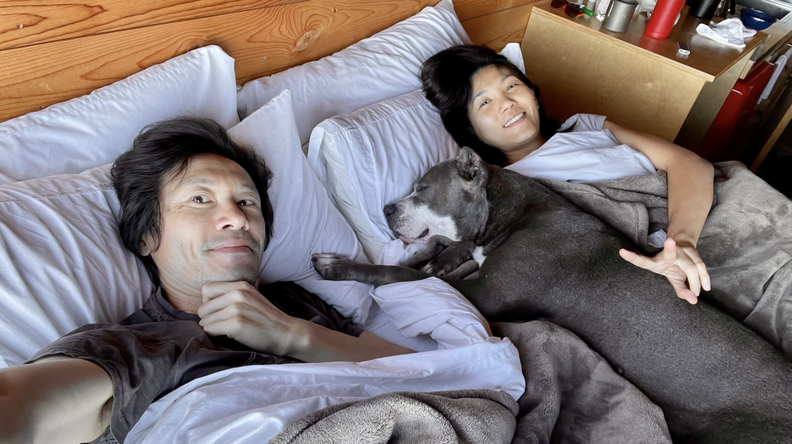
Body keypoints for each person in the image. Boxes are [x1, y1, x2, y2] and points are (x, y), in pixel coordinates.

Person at [0, 118, 413, 444]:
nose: (237, 217)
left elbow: (422, 371)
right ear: (146, 236)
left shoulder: (295, 303)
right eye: (200, 199)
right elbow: (21, 410)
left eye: (247, 201)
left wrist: (291, 335)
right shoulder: (130, 347)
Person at [420, 45, 715, 305]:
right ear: (472, 131)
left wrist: (681, 242)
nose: (507, 102)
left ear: (533, 95)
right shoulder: (498, 191)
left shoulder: (586, 126)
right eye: (484, 102)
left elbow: (687, 163)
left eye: (511, 86)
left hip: (696, 223)